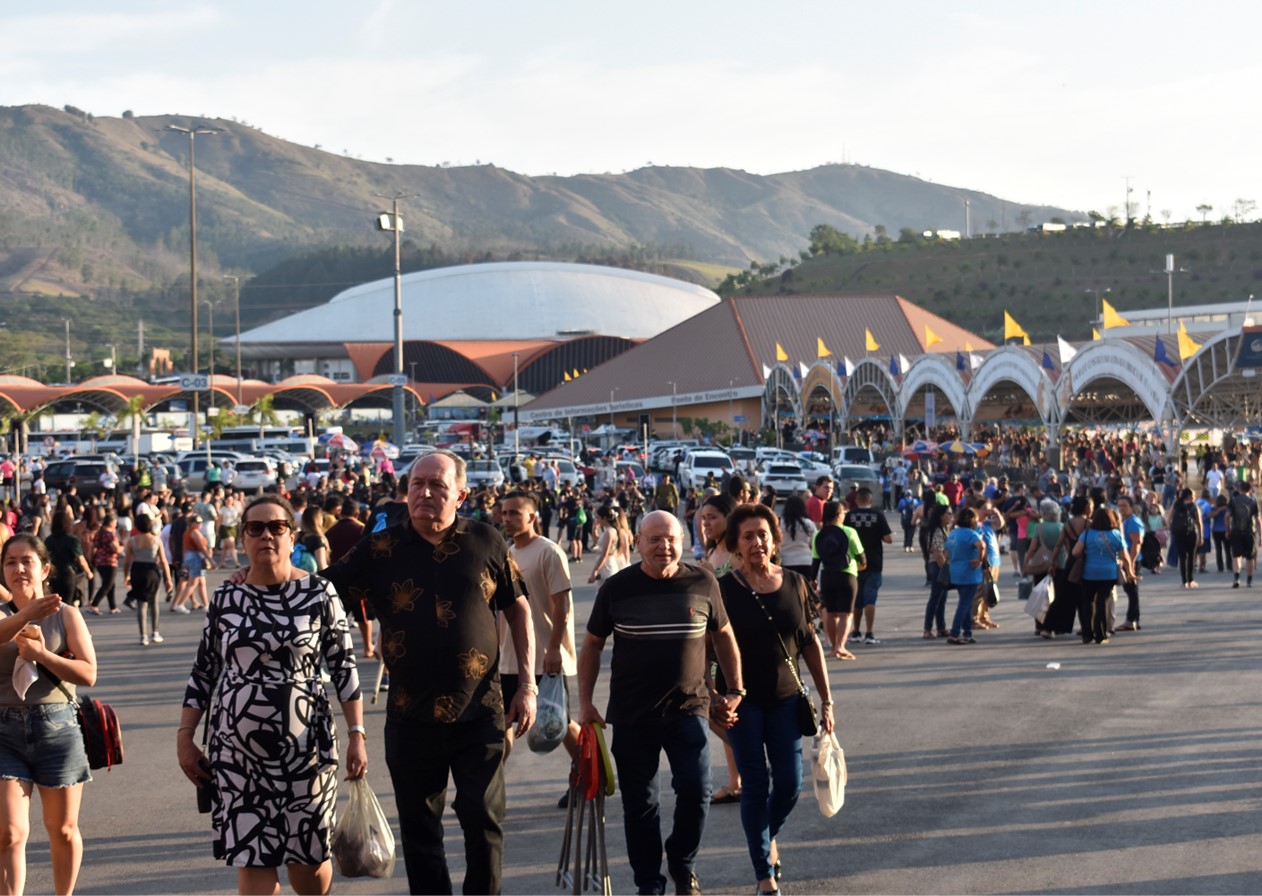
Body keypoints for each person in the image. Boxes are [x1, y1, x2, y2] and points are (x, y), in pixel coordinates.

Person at [321, 451, 535, 895]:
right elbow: (321, 590)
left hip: (481, 713)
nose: (425, 493)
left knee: (482, 818)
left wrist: (528, 684)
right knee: (420, 831)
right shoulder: (381, 548)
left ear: (460, 493)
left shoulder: (487, 540)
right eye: (417, 484)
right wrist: (266, 576)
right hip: (409, 715)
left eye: (437, 485)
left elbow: (519, 609)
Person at [178, 493, 366, 895]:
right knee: (252, 859)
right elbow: (204, 670)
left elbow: (344, 668)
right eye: (255, 528)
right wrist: (185, 737)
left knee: (309, 865)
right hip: (237, 754)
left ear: (292, 536)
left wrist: (357, 735)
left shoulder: (319, 593)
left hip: (308, 752)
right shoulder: (226, 598)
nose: (266, 535)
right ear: (243, 538)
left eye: (276, 527)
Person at [578, 511, 744, 896]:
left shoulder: (702, 582)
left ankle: (682, 863)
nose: (663, 546)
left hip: (689, 709)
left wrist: (736, 689)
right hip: (633, 715)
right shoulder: (617, 588)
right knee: (641, 804)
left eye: (670, 538)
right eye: (654, 539)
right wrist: (585, 703)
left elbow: (724, 635)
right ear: (637, 543)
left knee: (696, 790)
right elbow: (591, 645)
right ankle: (648, 882)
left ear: (682, 542)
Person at [716, 504, 833, 896]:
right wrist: (715, 696)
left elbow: (811, 643)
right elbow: (706, 647)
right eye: (747, 536)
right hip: (743, 703)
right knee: (754, 784)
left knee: (789, 784)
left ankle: (764, 836)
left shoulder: (797, 583)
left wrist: (827, 700)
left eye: (762, 534)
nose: (756, 542)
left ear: (775, 538)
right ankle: (764, 872)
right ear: (735, 544)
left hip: (786, 700)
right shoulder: (724, 589)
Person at [0, 534, 97, 895]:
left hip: (56, 726)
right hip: (3, 730)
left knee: (63, 830)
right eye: (10, 562)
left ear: (45, 569)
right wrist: (25, 614)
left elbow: (88, 673)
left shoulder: (67, 615)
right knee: (9, 833)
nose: (19, 568)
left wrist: (43, 655)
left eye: (27, 561)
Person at [497, 491, 580, 774]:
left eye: (514, 513)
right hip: (509, 659)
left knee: (559, 720)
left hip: (545, 658)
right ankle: (489, 787)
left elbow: (563, 606)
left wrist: (555, 648)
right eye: (504, 513)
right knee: (503, 721)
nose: (507, 518)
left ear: (531, 516)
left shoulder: (548, 552)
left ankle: (586, 772)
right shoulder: (505, 553)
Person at [810, 501, 865, 660]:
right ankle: (841, 646)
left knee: (832, 613)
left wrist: (813, 580)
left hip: (827, 576)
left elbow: (815, 561)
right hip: (847, 575)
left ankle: (834, 647)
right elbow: (861, 557)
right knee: (846, 614)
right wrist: (862, 565)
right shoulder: (849, 532)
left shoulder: (819, 535)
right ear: (839, 515)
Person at [1073, 506, 1134, 645]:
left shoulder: (1087, 533)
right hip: (1109, 573)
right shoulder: (1116, 534)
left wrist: (1088, 554)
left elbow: (1075, 552)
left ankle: (1087, 635)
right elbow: (1125, 556)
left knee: (1087, 602)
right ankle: (1100, 635)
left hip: (1089, 573)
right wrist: (1130, 573)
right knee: (1102, 602)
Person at [845, 487, 892, 645]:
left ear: (857, 500)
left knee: (857, 600)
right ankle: (869, 633)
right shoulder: (878, 516)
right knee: (870, 599)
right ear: (871, 501)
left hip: (854, 563)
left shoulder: (850, 516)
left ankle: (856, 631)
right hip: (874, 562)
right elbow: (888, 538)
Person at [122, 512, 174, 646]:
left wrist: (126, 575)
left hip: (137, 571)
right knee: (154, 602)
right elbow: (163, 561)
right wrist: (168, 579)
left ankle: (143, 635)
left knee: (141, 604)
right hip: (152, 571)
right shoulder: (156, 540)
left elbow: (127, 561)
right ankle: (155, 632)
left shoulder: (132, 541)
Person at [944, 506, 985, 645]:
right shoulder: (971, 534)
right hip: (969, 573)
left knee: (965, 602)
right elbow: (981, 546)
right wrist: (979, 560)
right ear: (972, 520)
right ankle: (955, 633)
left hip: (955, 571)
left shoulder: (953, 534)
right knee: (964, 604)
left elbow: (946, 553)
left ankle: (967, 633)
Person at [921, 502, 952, 639]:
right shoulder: (937, 531)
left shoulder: (943, 529)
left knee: (942, 599)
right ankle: (927, 629)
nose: (951, 516)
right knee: (935, 598)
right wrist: (946, 569)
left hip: (940, 565)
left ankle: (941, 627)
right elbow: (938, 554)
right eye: (948, 514)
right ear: (941, 516)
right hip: (937, 566)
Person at [1115, 495, 1144, 633]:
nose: (1121, 508)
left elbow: (1136, 544)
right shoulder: (1124, 520)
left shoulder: (1133, 521)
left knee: (1131, 591)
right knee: (1131, 591)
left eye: (1124, 506)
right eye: (1119, 505)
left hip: (1132, 561)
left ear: (1131, 507)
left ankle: (1130, 620)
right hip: (1128, 561)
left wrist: (1130, 563)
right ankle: (1134, 620)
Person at [87, 512, 124, 614]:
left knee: (110, 584)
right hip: (109, 562)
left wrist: (91, 558)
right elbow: (115, 548)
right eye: (115, 522)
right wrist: (122, 548)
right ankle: (94, 604)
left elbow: (92, 547)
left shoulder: (99, 533)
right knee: (107, 585)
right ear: (111, 522)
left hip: (99, 561)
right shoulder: (109, 535)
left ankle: (113, 607)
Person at [1166, 488, 1203, 589]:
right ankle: (1190, 580)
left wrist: (1172, 530)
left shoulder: (1176, 504)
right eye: (1193, 496)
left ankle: (1184, 582)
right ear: (1190, 496)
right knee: (1191, 557)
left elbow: (1169, 518)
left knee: (1182, 558)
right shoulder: (1194, 506)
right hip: (1190, 533)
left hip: (1178, 533)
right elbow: (1199, 522)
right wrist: (1201, 536)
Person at [777, 496, 816, 581]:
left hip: (785, 562)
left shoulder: (780, 523)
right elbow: (814, 545)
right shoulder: (809, 524)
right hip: (806, 562)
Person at [588, 505, 630, 583]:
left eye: (598, 518)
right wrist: (594, 530)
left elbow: (605, 553)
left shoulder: (609, 532)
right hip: (606, 564)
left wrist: (595, 570)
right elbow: (600, 542)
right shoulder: (610, 531)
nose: (597, 520)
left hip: (607, 565)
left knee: (606, 591)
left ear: (604, 518)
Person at [1229, 481, 1259, 588]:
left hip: (1236, 530)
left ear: (1240, 489)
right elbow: (1258, 519)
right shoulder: (1253, 501)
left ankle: (1236, 577)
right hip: (1250, 531)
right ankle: (1249, 580)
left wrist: (1228, 529)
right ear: (1250, 490)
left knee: (1236, 556)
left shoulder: (1233, 500)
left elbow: (1227, 516)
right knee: (1250, 557)